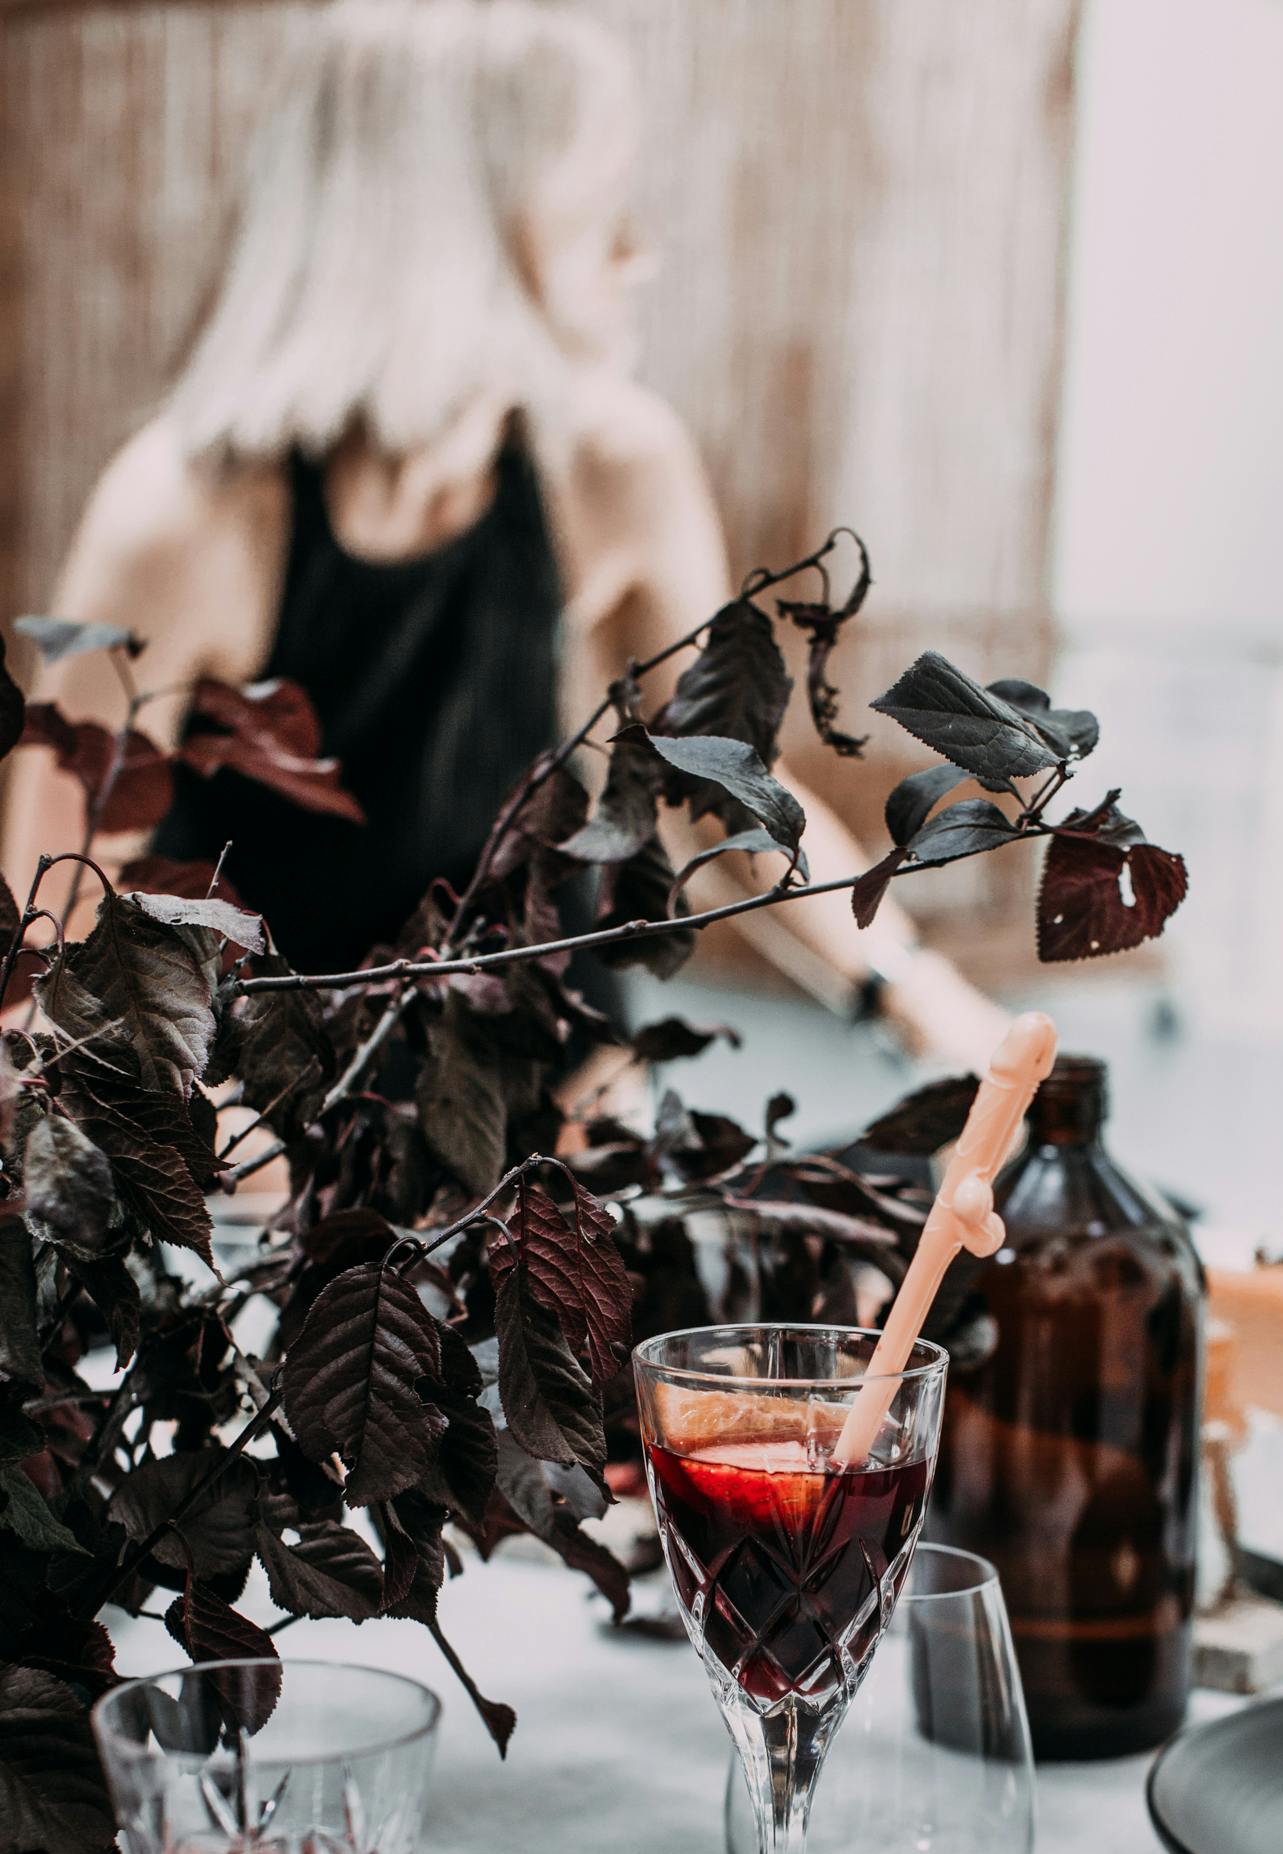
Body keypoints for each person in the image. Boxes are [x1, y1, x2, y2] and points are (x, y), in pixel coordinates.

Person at [0, 0, 1007, 1077]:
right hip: (273, 1125)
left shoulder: (617, 470)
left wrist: (914, 996)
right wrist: (210, 1143)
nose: (639, 251)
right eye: (595, 210)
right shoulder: (177, 522)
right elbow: (41, 961)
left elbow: (721, 794)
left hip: (551, 1102)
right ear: (450, 234)